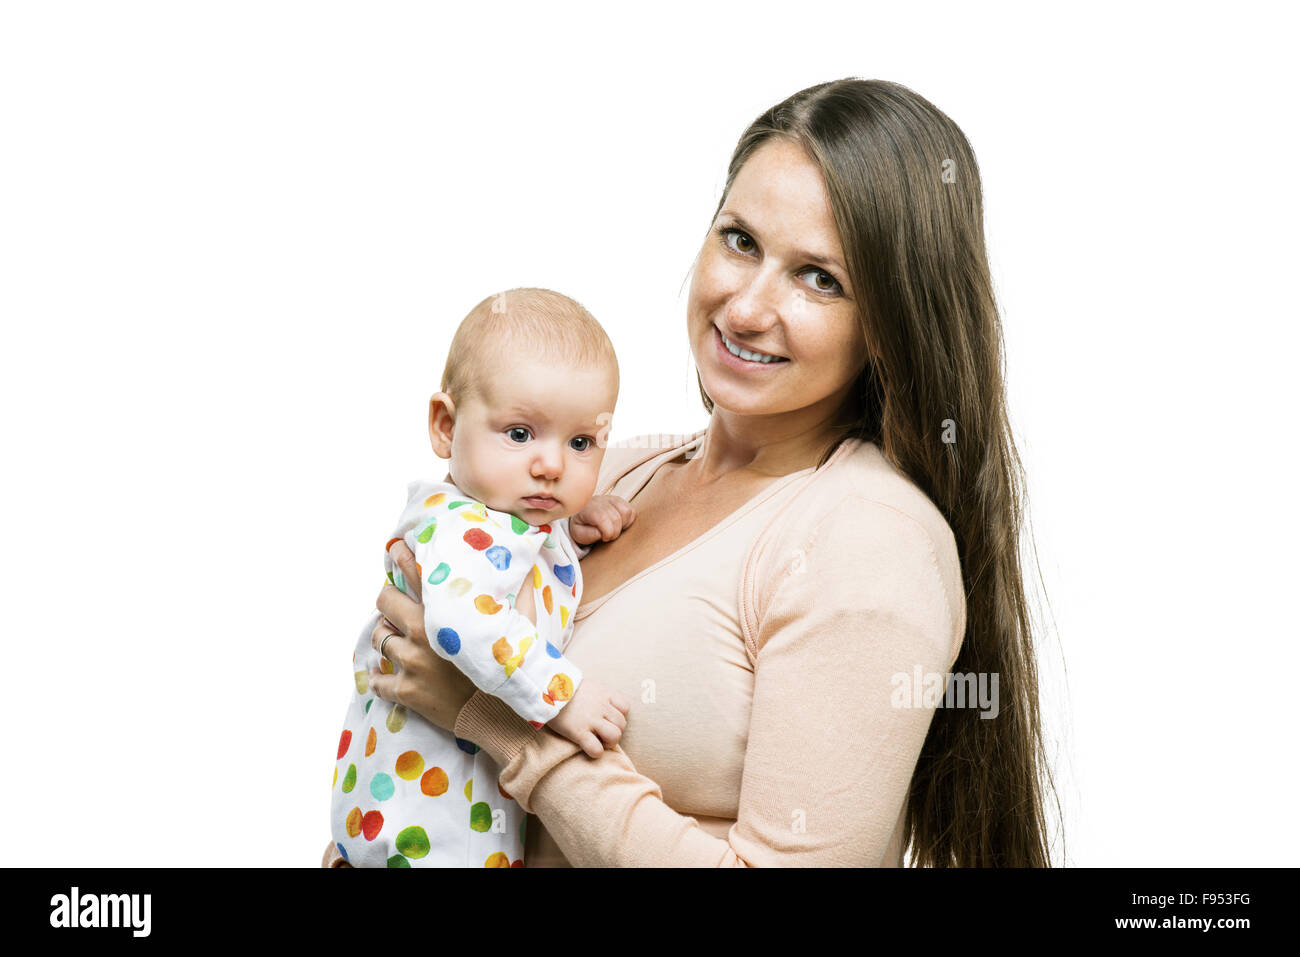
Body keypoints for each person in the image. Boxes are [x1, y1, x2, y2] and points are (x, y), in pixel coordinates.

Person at [327, 77, 1058, 867]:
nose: (744, 307)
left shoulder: (868, 540)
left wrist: (491, 714)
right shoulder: (615, 471)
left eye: (820, 277)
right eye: (740, 240)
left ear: (890, 321)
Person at [329, 288, 636, 868]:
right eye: (520, 434)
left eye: (581, 443)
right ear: (445, 426)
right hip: (424, 826)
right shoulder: (462, 530)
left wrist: (570, 523)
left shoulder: (507, 519)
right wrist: (560, 696)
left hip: (453, 812)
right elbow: (462, 622)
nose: (552, 465)